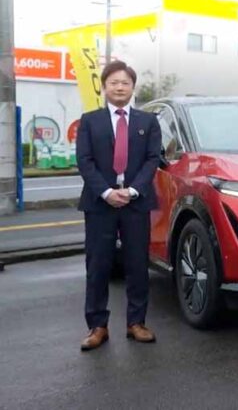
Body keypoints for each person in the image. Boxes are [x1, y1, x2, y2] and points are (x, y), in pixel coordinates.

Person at [76, 61, 162, 351]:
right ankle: (97, 326)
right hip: (100, 204)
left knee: (137, 265)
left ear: (133, 87)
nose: (120, 87)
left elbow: (152, 159)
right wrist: (106, 192)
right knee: (97, 265)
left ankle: (136, 323)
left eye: (125, 82)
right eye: (114, 82)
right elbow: (84, 161)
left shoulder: (148, 122)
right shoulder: (90, 121)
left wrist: (134, 190)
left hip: (136, 203)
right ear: (104, 87)